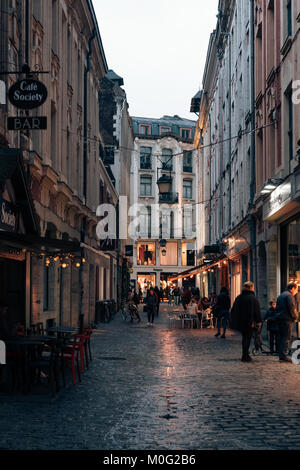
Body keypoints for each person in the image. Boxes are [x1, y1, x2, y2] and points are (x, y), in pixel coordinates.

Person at [230, 281, 262, 362]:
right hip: (249, 322)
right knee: (247, 338)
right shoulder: (253, 298)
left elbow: (234, 310)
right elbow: (256, 311)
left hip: (241, 322)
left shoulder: (239, 297)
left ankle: (245, 354)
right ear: (251, 288)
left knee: (245, 338)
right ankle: (245, 355)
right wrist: (258, 321)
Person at [275, 282, 298, 362]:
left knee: (282, 337)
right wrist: (295, 317)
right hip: (286, 319)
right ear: (292, 289)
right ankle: (284, 355)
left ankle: (281, 354)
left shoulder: (281, 295)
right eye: (296, 289)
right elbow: (291, 308)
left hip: (280, 318)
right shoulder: (289, 296)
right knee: (286, 337)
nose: (296, 292)